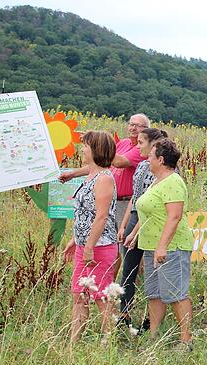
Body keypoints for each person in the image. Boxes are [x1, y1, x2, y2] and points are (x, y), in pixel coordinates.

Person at [61, 113, 150, 278]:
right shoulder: (122, 143)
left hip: (125, 202)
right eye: (131, 124)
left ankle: (130, 282)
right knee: (111, 242)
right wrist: (73, 174)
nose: (133, 128)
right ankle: (110, 280)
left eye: (138, 126)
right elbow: (101, 164)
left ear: (146, 129)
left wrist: (99, 145)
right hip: (109, 200)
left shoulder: (141, 149)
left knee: (126, 245)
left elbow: (117, 162)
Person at [125, 138, 195, 349]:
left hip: (171, 247)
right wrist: (135, 233)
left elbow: (174, 217)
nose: (147, 158)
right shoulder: (157, 180)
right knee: (154, 293)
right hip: (150, 244)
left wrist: (162, 246)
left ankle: (186, 339)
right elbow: (149, 211)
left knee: (175, 294)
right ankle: (154, 336)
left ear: (161, 159)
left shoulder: (173, 182)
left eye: (150, 156)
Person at [62, 131, 118, 345]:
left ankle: (108, 342)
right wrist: (75, 239)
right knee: (79, 294)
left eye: (86, 146)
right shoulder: (91, 175)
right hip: (84, 245)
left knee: (101, 296)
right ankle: (74, 342)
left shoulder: (104, 179)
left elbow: (101, 216)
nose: (82, 149)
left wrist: (89, 247)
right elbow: (84, 214)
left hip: (100, 247)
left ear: (96, 150)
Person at [116, 127, 168, 329]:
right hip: (136, 217)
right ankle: (124, 313)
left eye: (140, 143)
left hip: (150, 220)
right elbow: (135, 199)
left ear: (153, 144)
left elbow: (152, 206)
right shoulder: (141, 167)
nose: (137, 147)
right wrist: (124, 225)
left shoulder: (161, 170)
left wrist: (136, 231)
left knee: (152, 272)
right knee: (128, 269)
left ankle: (151, 318)